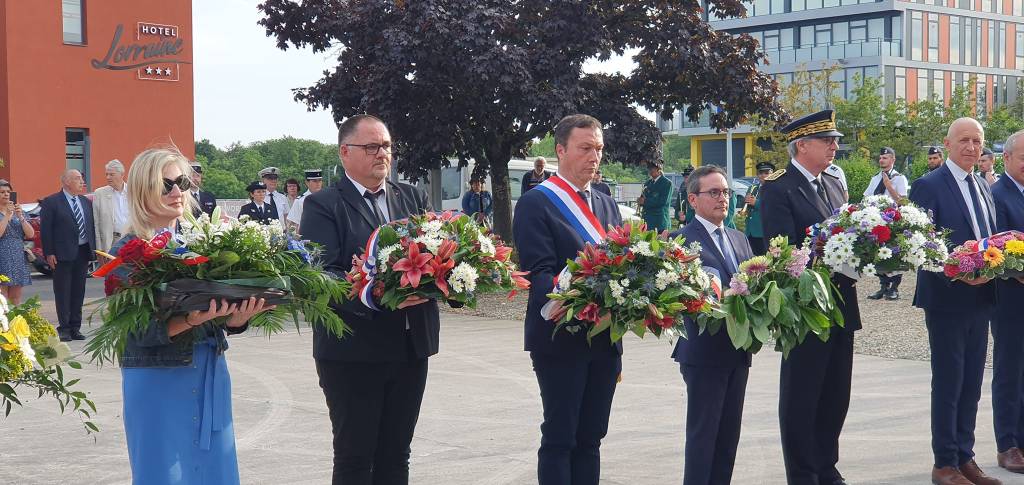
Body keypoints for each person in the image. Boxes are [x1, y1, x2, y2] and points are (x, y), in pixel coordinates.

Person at [109, 147, 274, 485]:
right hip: (158, 380)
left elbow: (219, 317)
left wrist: (238, 317)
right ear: (142, 190)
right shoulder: (126, 251)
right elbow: (135, 333)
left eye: (182, 182)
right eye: (165, 184)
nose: (176, 191)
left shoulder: (204, 243)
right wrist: (189, 320)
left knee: (215, 472)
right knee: (164, 474)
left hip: (210, 373)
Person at [302, 114, 441, 485]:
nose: (382, 154)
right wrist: (377, 296)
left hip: (411, 347)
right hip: (353, 352)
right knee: (355, 457)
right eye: (371, 147)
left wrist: (450, 281)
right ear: (345, 152)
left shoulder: (411, 195)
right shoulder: (323, 205)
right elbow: (321, 275)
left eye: (386, 146)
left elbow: (436, 255)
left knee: (397, 455)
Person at [513, 114, 623, 485]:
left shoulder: (606, 203)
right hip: (560, 335)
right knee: (561, 436)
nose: (594, 157)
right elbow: (538, 273)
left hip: (605, 336)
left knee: (591, 437)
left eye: (599, 149)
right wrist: (586, 285)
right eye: (585, 148)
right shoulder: (536, 203)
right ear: (560, 151)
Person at [760, 109, 862, 485]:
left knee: (836, 394)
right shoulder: (778, 187)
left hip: (842, 301)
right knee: (803, 395)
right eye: (827, 140)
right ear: (801, 144)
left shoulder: (834, 183)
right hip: (804, 307)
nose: (834, 146)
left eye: (835, 140)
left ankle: (826, 467)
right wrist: (833, 262)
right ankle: (803, 473)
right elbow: (783, 250)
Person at [910, 117, 1001, 485]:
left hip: (982, 296)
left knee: (971, 382)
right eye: (963, 140)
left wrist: (997, 264)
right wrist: (957, 270)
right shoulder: (928, 185)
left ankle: (966, 457)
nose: (970, 147)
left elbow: (988, 239)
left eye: (977, 141)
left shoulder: (982, 184)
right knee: (949, 381)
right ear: (947, 144)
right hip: (947, 297)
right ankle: (944, 462)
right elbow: (919, 244)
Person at [669, 165, 754, 485]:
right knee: (704, 437)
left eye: (727, 193)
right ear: (693, 199)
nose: (723, 199)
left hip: (739, 349)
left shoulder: (740, 238)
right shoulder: (681, 241)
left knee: (728, 437)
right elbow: (678, 297)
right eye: (714, 192)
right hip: (703, 351)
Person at [992, 129, 1024, 476]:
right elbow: (997, 248)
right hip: (1011, 298)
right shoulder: (997, 195)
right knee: (1009, 372)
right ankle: (1008, 445)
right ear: (1007, 159)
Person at [40, 169, 96, 342]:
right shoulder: (52, 202)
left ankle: (75, 327)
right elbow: (46, 230)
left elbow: (90, 226)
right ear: (66, 182)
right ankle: (64, 328)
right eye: (77, 179)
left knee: (78, 291)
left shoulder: (85, 202)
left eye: (81, 178)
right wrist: (49, 252)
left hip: (82, 251)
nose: (81, 182)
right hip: (62, 254)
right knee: (63, 292)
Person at [864, 147, 909, 301]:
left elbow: (903, 202)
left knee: (894, 254)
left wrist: (889, 186)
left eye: (885, 157)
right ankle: (883, 286)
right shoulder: (875, 178)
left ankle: (894, 288)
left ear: (893, 160)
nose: (882, 160)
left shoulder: (899, 178)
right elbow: (866, 198)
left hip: (893, 221)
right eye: (881, 157)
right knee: (877, 253)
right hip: (876, 221)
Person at [0, 180, 34, 304]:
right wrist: (7, 215)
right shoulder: (7, 213)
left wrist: (20, 216)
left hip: (17, 255)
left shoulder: (19, 211)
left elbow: (30, 234)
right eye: (2, 192)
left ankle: (15, 322)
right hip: (2, 255)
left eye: (8, 191)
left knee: (15, 296)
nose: (6, 194)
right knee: (2, 295)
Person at [93, 159, 129, 252]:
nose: (108, 177)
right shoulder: (100, 193)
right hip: (111, 243)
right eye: (106, 174)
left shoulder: (133, 191)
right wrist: (99, 249)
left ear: (122, 175)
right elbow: (96, 224)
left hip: (131, 240)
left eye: (111, 174)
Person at [742, 162, 773, 255]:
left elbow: (773, 207)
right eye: (760, 173)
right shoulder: (752, 187)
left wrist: (756, 203)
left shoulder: (774, 188)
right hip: (750, 232)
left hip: (763, 232)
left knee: (764, 263)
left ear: (772, 174)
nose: (763, 175)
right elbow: (747, 207)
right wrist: (745, 203)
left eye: (766, 173)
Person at [638, 159, 673, 233]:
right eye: (649, 168)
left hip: (659, 223)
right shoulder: (647, 183)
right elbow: (643, 198)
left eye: (652, 168)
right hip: (647, 222)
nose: (650, 170)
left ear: (658, 169)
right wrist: (640, 201)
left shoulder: (667, 183)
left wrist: (645, 201)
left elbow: (663, 202)